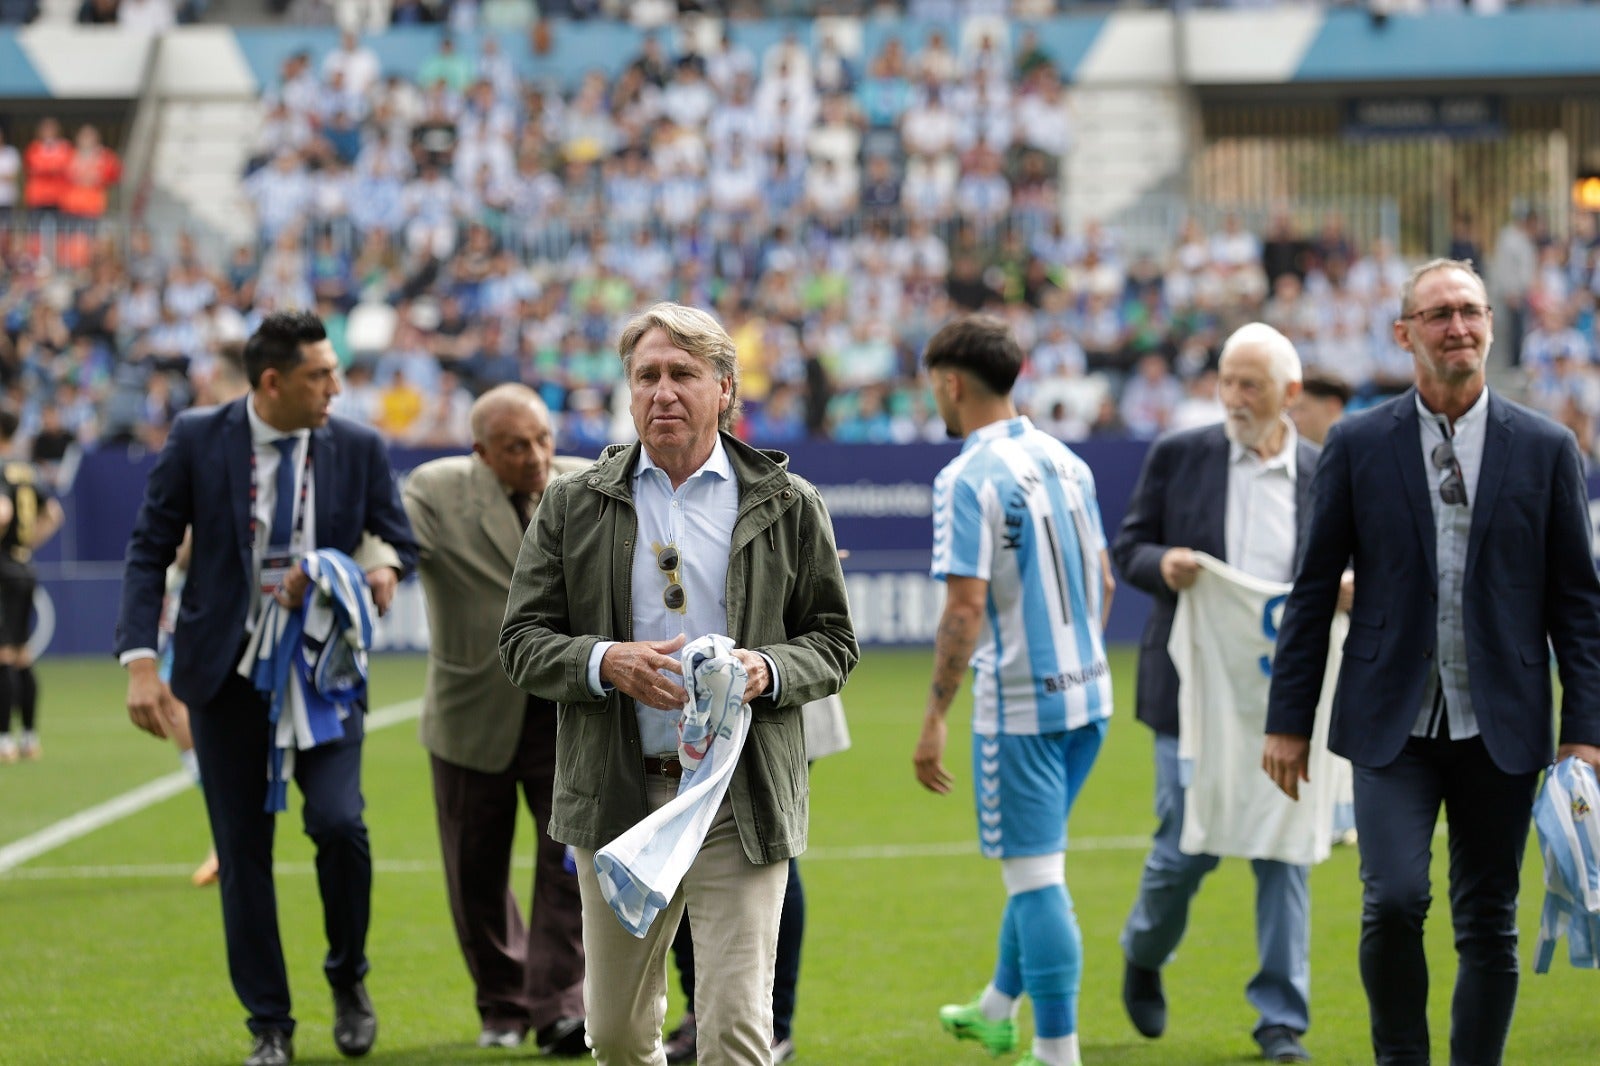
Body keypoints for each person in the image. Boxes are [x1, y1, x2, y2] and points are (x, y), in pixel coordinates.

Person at [498, 301, 858, 1066]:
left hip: (739, 795)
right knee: (622, 1037)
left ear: (724, 388)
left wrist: (768, 669)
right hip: (619, 797)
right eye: (647, 375)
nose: (663, 391)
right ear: (628, 392)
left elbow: (833, 642)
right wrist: (606, 663)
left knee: (735, 1032)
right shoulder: (574, 502)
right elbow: (521, 642)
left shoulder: (790, 503)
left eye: (683, 375)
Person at [1264, 258, 1600, 1066]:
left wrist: (1584, 732)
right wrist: (1287, 723)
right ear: (1404, 333)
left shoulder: (1548, 448)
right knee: (1394, 902)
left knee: (1490, 919)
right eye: (1440, 314)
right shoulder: (1355, 443)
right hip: (1391, 721)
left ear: (1489, 324)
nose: (1459, 327)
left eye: (1470, 311)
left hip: (1505, 723)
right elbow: (1312, 591)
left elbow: (1580, 607)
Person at [114, 310, 418, 1066]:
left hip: (324, 673)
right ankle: (270, 1028)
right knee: (241, 853)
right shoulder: (196, 437)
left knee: (340, 824)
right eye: (321, 376)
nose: (336, 389)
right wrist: (141, 663)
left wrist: (379, 568)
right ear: (273, 382)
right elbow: (149, 549)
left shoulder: (356, 444)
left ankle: (348, 978)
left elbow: (394, 535)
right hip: (224, 676)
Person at [1114, 322, 1324, 1065]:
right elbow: (1128, 547)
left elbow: (1361, 564)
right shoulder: (1181, 455)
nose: (1232, 397)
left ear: (1290, 395)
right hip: (1194, 693)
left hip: (1289, 698)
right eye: (1227, 381)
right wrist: (1160, 561)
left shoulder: (1327, 472)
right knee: (1185, 847)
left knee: (1284, 852)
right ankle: (1143, 950)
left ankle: (1280, 1021)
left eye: (1250, 385)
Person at [910, 316, 1116, 1066]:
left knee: (1034, 881)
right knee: (1040, 866)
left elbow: (963, 608)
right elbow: (1104, 579)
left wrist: (934, 714)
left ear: (951, 382)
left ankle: (1057, 1052)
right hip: (1089, 698)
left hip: (1022, 708)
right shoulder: (1067, 461)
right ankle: (997, 1008)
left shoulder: (964, 478)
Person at [401, 385, 590, 1055]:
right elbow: (385, 542)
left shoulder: (586, 484)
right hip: (470, 714)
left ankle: (561, 1006)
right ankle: (502, 1005)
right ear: (481, 453)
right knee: (475, 871)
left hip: (563, 713)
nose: (537, 456)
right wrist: (369, 573)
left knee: (569, 866)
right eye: (516, 446)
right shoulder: (436, 489)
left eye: (543, 439)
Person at [0, 406, 64, 764]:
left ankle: (4, 741)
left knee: (3, 655)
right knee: (21, 654)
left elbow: (2, 513)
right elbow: (54, 514)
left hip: (3, 566)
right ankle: (29, 737)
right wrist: (26, 546)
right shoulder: (27, 468)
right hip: (23, 565)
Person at [1289, 369, 1351, 447]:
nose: (1295, 418)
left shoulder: (1359, 453)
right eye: (1293, 410)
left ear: (1333, 405)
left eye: (1303, 409)